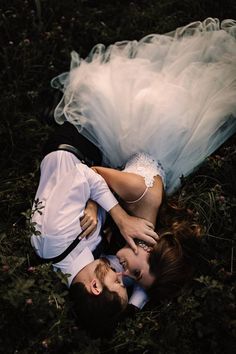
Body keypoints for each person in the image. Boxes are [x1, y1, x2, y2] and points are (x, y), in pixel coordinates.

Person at [50, 17, 236, 300]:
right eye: (135, 275)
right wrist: (98, 207)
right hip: (140, 128)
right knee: (93, 92)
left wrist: (139, 295)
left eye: (132, 283)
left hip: (148, 162)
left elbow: (141, 288)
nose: (123, 276)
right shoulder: (140, 196)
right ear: (149, 248)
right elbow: (94, 171)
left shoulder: (142, 232)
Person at [30, 122, 158, 334]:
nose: (121, 275)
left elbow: (83, 174)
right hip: (102, 162)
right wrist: (134, 307)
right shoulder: (88, 267)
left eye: (118, 284)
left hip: (78, 139)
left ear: (95, 287)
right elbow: (144, 281)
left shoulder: (52, 240)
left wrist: (121, 217)